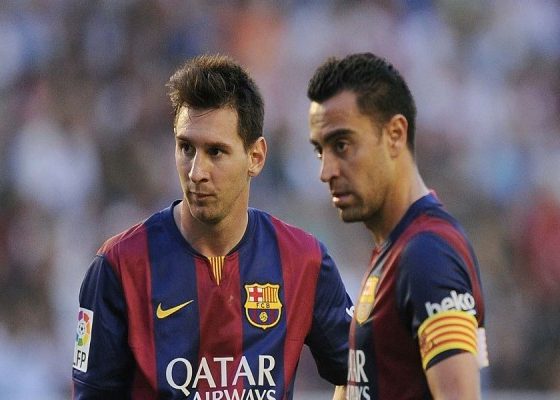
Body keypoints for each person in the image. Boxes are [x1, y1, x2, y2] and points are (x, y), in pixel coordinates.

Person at [72, 54, 352, 400]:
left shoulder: (303, 260)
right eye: (186, 148)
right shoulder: (119, 265)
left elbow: (361, 375)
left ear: (256, 157)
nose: (196, 172)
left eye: (216, 152)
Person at [307, 52, 489, 399]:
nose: (326, 171)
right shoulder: (396, 250)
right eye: (320, 150)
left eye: (342, 145)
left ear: (395, 134)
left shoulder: (427, 254)